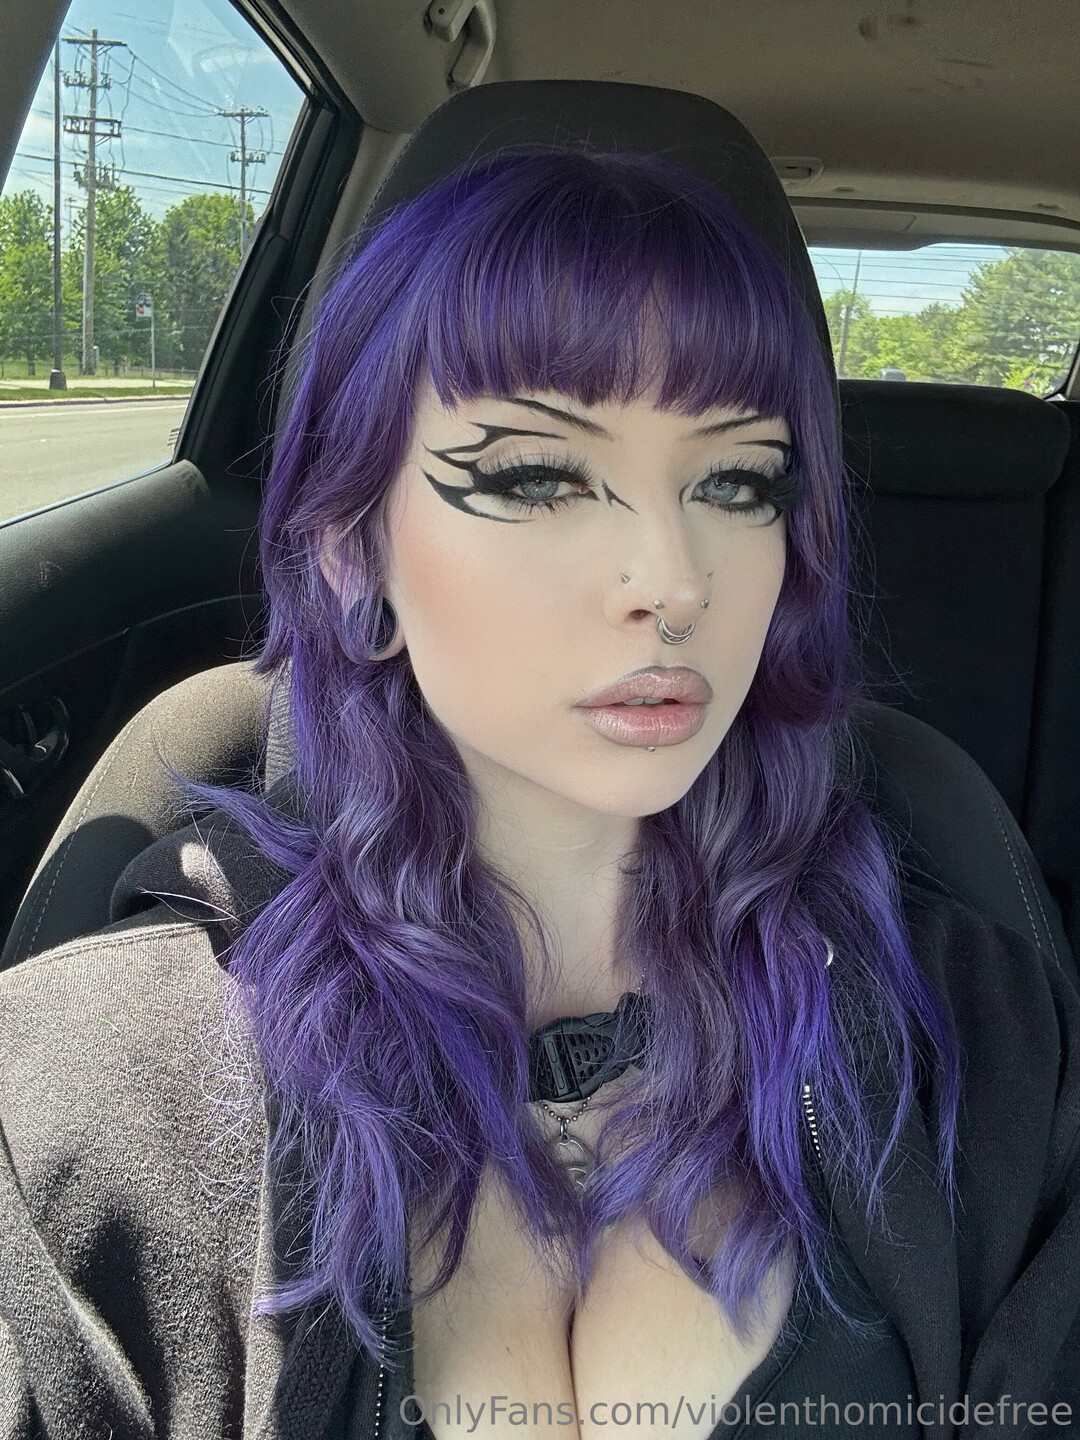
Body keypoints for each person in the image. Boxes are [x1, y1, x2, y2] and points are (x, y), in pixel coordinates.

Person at [1, 146, 1078, 1440]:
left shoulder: (975, 1033)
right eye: (538, 477)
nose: (672, 579)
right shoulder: (110, 1087)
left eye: (737, 481)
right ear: (351, 547)